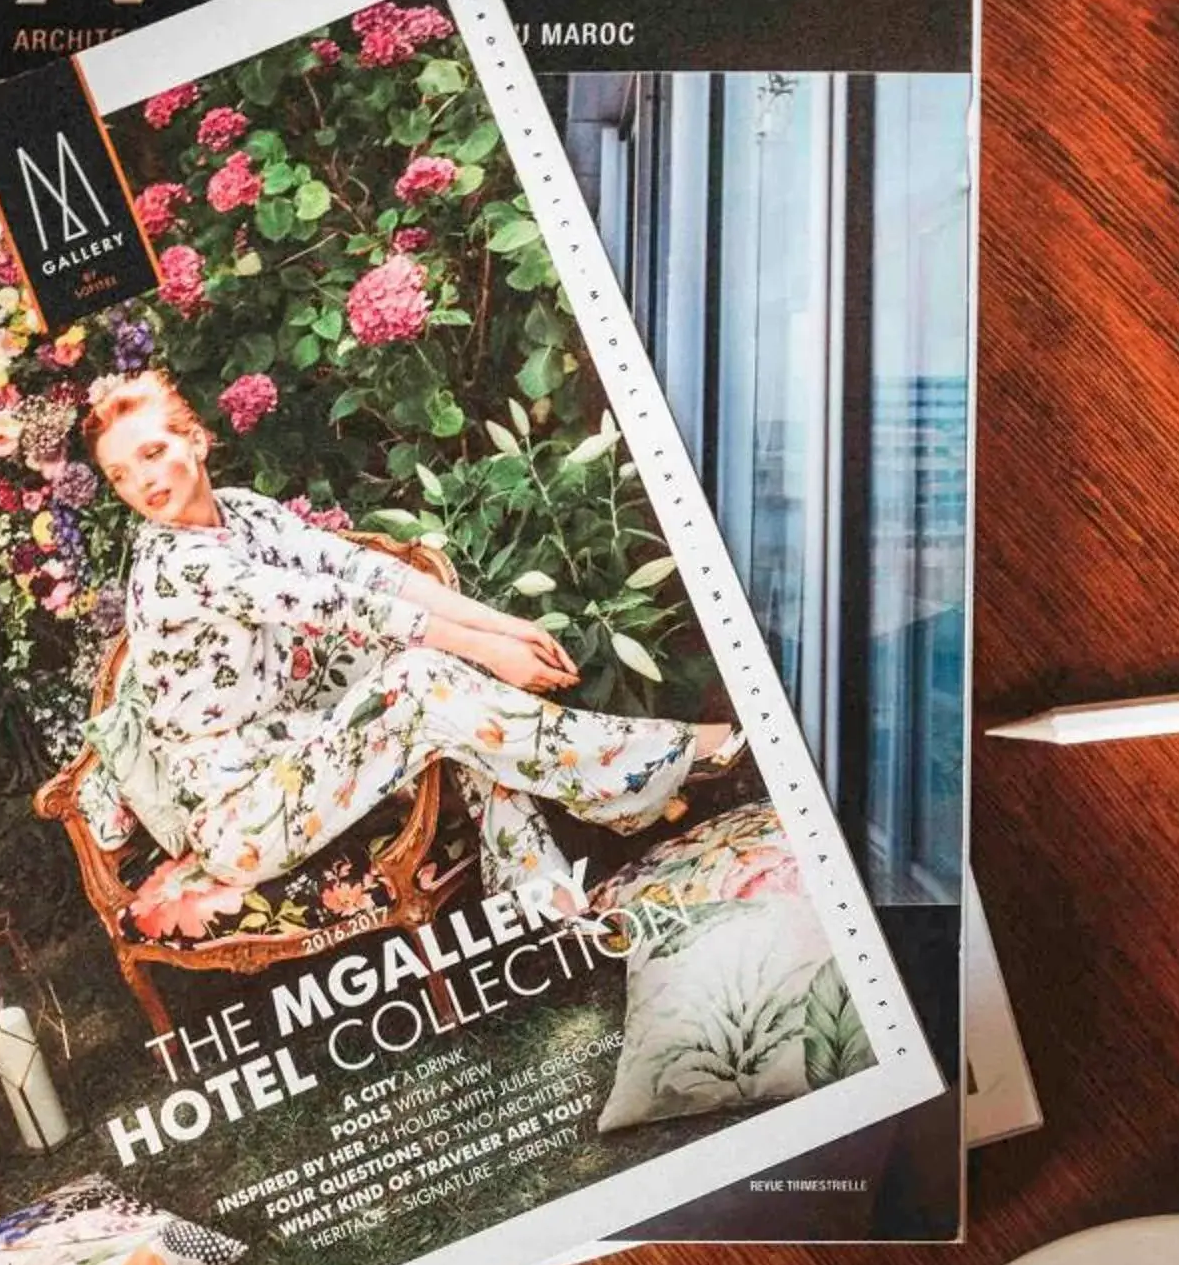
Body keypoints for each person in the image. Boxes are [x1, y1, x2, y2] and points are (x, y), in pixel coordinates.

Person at [80, 368, 738, 913]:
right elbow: (335, 604)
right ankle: (663, 763)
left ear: (193, 440)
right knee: (421, 683)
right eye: (119, 474)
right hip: (242, 817)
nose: (143, 481)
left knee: (436, 679)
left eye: (152, 452)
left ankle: (543, 905)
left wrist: (501, 628)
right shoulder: (174, 565)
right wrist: (486, 648)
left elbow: (363, 570)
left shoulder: (245, 510)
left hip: (299, 755)